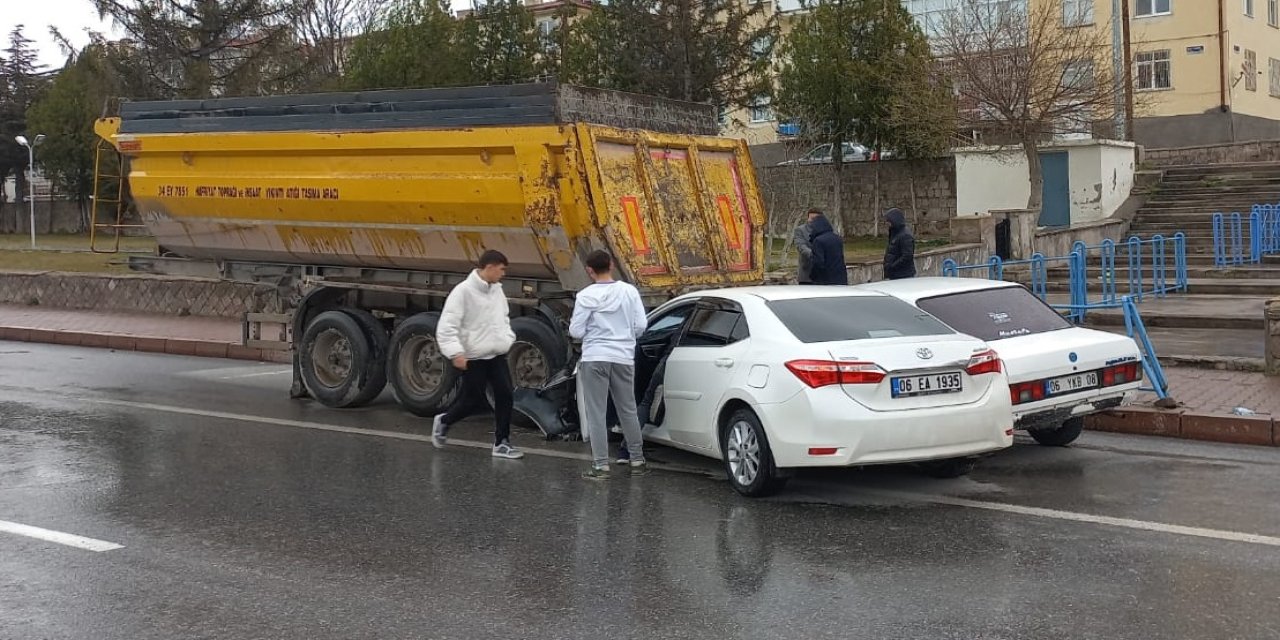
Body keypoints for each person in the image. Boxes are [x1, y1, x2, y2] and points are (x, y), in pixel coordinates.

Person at [433, 249, 523, 459]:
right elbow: (447, 326)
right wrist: (455, 353)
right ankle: (444, 421)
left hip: (496, 353)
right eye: (501, 269)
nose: (503, 274)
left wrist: (507, 338)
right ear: (489, 267)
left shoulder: (497, 291)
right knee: (472, 401)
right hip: (473, 356)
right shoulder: (463, 292)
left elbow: (503, 318)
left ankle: (502, 443)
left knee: (505, 394)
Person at [569, 250, 649, 479]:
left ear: (589, 271)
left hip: (595, 357)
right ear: (611, 265)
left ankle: (601, 465)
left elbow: (576, 331)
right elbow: (641, 325)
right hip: (623, 357)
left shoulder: (585, 296)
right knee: (628, 409)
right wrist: (625, 336)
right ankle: (637, 459)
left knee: (597, 412)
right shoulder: (629, 291)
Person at [807, 212, 848, 286]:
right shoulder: (837, 238)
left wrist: (812, 276)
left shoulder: (818, 241)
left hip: (825, 279)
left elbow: (818, 262)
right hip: (840, 277)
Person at [883, 207, 917, 280]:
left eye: (888, 221)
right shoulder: (894, 233)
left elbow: (907, 256)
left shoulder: (905, 235)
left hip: (903, 275)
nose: (887, 224)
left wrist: (892, 266)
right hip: (895, 274)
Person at [793, 209, 820, 284]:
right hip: (807, 273)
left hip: (823, 274)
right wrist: (815, 255)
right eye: (811, 218)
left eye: (816, 218)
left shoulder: (826, 230)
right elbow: (801, 246)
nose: (813, 220)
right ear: (808, 218)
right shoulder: (800, 230)